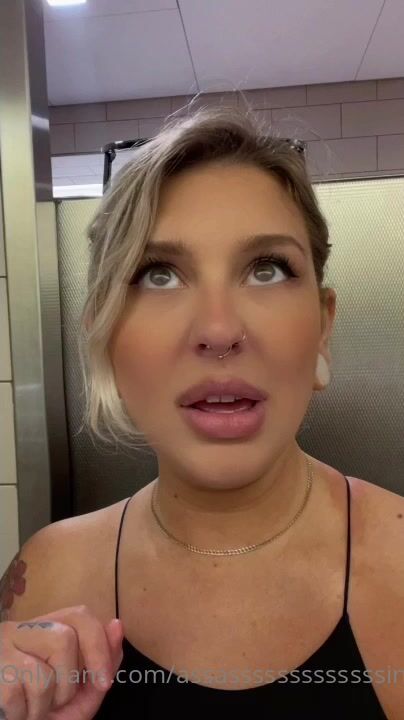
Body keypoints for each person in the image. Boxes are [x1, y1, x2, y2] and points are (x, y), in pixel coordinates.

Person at [0, 103, 403, 719]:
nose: (218, 331)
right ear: (106, 334)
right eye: (158, 275)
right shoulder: (49, 576)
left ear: (322, 327)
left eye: (266, 270)